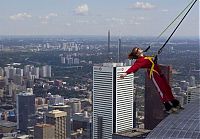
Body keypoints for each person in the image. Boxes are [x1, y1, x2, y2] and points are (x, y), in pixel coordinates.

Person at [120, 47, 183, 113]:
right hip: (154, 74)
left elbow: (150, 62)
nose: (139, 48)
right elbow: (134, 67)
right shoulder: (140, 60)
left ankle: (174, 103)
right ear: (137, 54)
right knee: (161, 90)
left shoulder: (145, 57)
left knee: (167, 88)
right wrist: (126, 73)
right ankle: (168, 106)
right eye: (137, 49)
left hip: (159, 73)